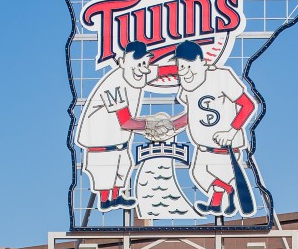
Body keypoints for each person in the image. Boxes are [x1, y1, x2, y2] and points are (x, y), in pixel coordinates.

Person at [169, 40, 257, 216]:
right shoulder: (187, 87)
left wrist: (231, 131)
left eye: (188, 65)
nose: (184, 71)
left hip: (224, 148)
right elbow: (193, 115)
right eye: (181, 66)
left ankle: (224, 196)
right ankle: (221, 199)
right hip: (203, 148)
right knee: (198, 174)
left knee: (217, 175)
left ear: (202, 62)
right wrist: (171, 127)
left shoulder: (221, 77)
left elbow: (248, 105)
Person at [74, 41, 161, 211]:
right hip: (101, 143)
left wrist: (190, 69)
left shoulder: (138, 74)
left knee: (123, 167)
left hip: (119, 142)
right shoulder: (114, 83)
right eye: (138, 63)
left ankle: (115, 197)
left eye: (145, 62)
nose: (143, 67)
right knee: (105, 173)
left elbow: (162, 71)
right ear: (123, 62)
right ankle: (106, 200)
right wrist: (151, 125)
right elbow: (126, 121)